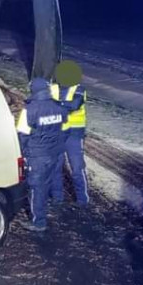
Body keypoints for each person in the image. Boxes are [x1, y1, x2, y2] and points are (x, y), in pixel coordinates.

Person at [16, 77, 68, 231]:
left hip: (38, 155)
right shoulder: (59, 107)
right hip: (56, 152)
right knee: (48, 181)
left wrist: (25, 153)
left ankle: (39, 222)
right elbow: (65, 130)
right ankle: (50, 203)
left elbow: (22, 135)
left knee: (36, 187)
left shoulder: (29, 110)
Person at [52, 60, 89, 206]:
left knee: (77, 168)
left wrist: (55, 105)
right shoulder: (53, 88)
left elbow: (74, 105)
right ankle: (57, 198)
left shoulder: (79, 89)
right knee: (56, 167)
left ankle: (82, 199)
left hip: (74, 134)